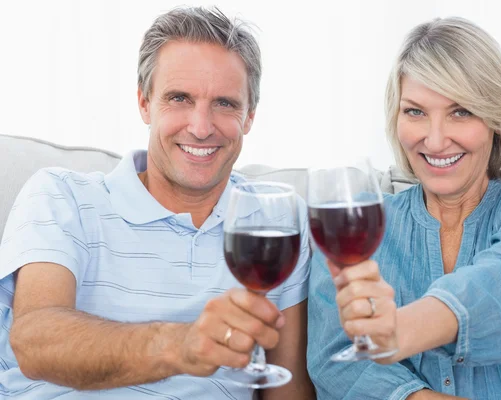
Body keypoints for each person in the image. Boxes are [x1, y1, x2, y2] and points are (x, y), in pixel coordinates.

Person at [0, 6, 314, 400]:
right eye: (179, 98)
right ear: (144, 102)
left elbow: (288, 386)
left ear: (250, 116)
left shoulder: (278, 219)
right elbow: (35, 342)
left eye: (225, 103)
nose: (201, 128)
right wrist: (182, 345)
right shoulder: (61, 196)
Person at [307, 17, 501, 400]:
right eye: (415, 111)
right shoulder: (359, 226)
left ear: (496, 119)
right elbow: (333, 359)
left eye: (461, 111)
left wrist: (395, 332)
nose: (435, 141)